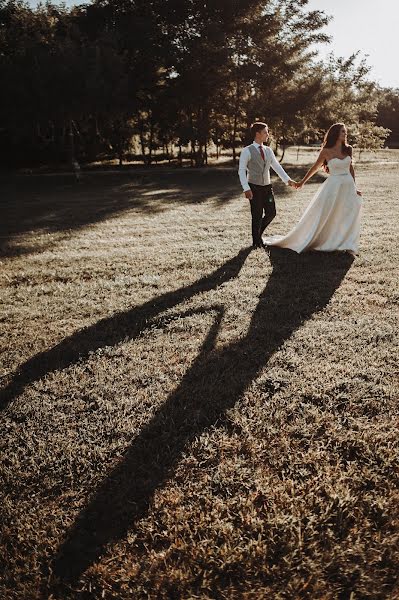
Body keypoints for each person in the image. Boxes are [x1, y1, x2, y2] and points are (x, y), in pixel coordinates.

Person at [264, 123, 363, 255]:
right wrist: (302, 182)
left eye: (345, 132)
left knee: (348, 214)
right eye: (342, 132)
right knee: (329, 215)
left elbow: (351, 168)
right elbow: (315, 167)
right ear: (335, 134)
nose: (345, 134)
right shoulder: (326, 151)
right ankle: (328, 241)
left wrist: (354, 187)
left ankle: (347, 244)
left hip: (348, 185)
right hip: (333, 186)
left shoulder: (348, 149)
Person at [238, 122, 296, 249]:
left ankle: (258, 235)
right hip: (254, 187)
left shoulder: (268, 150)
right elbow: (241, 170)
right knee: (257, 214)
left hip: (267, 187)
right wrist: (246, 188)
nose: (268, 134)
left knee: (271, 212)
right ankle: (256, 242)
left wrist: (288, 180)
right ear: (257, 134)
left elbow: (276, 166)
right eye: (265, 132)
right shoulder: (247, 151)